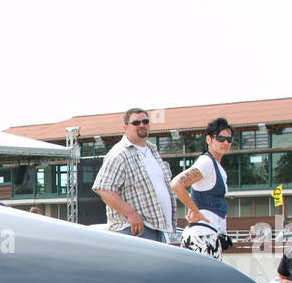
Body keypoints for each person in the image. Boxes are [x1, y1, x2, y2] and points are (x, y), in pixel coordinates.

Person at [92, 108, 176, 242]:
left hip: (157, 229)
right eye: (136, 123)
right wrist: (131, 214)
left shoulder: (152, 151)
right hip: (133, 231)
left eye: (145, 121)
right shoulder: (119, 154)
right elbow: (103, 188)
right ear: (125, 127)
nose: (142, 125)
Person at [172, 117, 233, 259]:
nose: (225, 142)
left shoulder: (215, 165)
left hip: (208, 235)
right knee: (204, 281)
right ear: (209, 139)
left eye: (229, 140)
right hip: (201, 236)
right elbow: (176, 184)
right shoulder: (206, 162)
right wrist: (194, 210)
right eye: (220, 138)